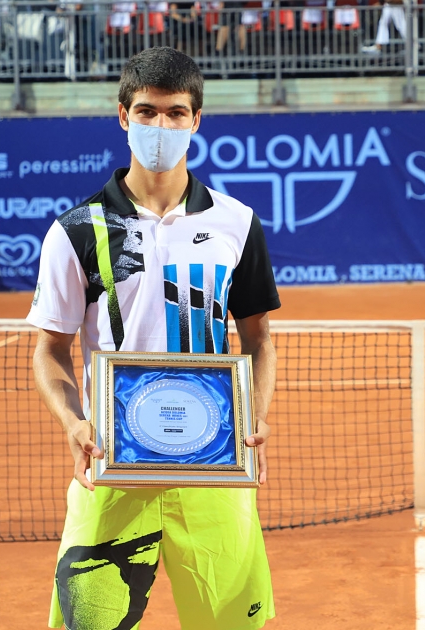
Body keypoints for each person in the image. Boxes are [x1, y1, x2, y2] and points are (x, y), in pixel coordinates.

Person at [28, 46, 280, 630]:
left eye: (174, 113)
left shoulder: (236, 222)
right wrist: (75, 424)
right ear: (123, 116)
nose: (160, 127)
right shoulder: (75, 230)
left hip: (215, 466)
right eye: (146, 112)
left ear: (196, 121)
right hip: (112, 465)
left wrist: (255, 416)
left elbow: (260, 339)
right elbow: (48, 350)